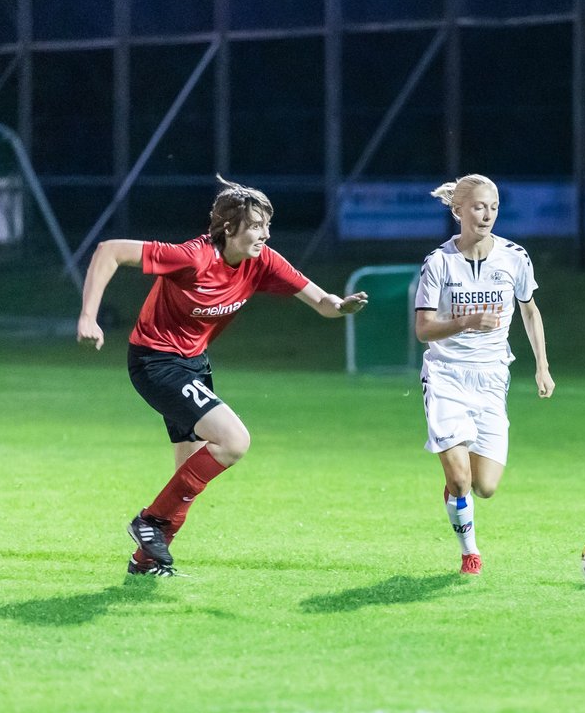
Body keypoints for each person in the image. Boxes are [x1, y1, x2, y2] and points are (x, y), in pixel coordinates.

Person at [77, 175, 367, 576]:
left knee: (188, 475)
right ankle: (148, 523)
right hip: (155, 361)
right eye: (255, 226)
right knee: (234, 441)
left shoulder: (261, 260)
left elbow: (321, 302)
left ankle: (145, 562)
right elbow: (109, 251)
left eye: (267, 225)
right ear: (229, 228)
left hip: (194, 364)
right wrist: (89, 317)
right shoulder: (192, 257)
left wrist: (341, 305)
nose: (265, 234)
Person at [415, 174, 554, 575]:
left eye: (493, 206)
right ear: (458, 211)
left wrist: (542, 366)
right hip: (446, 375)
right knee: (460, 481)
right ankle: (469, 553)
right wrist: (467, 321)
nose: (487, 214)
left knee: (485, 487)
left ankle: (457, 489)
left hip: (492, 377)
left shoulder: (514, 257)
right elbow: (424, 329)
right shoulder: (439, 262)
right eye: (478, 206)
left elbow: (529, 309)